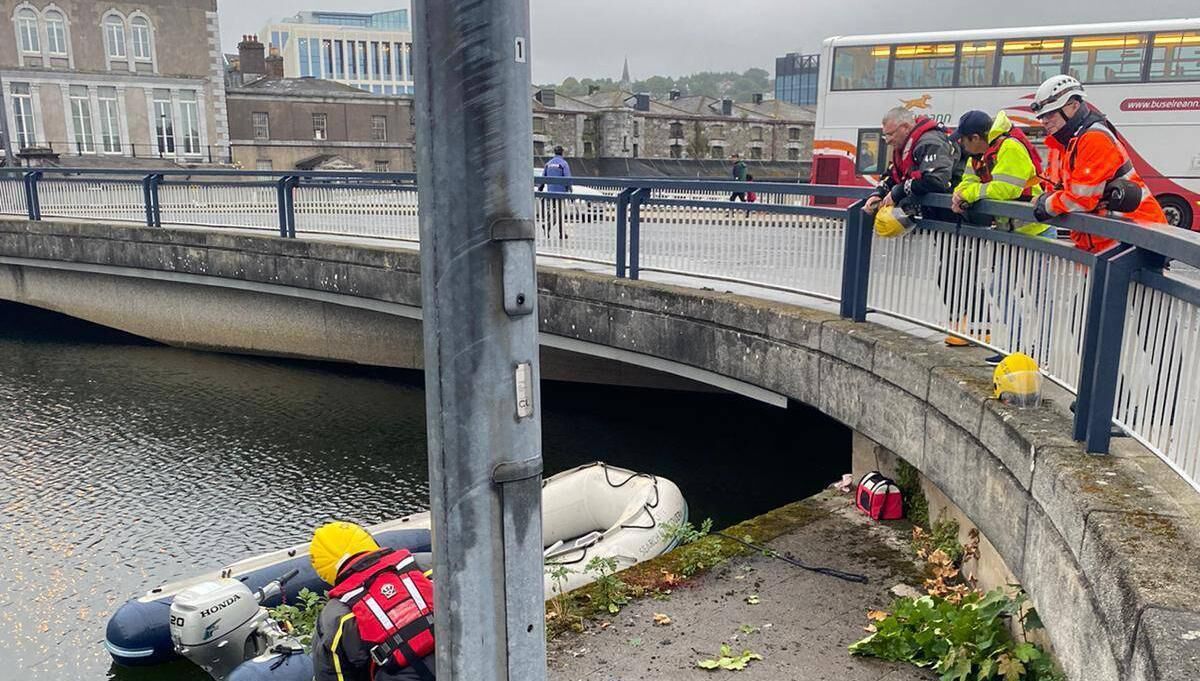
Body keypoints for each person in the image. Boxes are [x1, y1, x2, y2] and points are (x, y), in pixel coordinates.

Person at [1029, 75, 1167, 253]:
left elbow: (1082, 198)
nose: (1045, 120)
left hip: (1133, 241)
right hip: (1114, 242)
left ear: (1073, 106)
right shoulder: (1070, 143)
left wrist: (1045, 205)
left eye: (1051, 113)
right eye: (1042, 116)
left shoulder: (1093, 139)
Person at [310, 521, 436, 681]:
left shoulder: (334, 616)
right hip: (464, 659)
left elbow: (331, 675)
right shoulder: (429, 564)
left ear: (324, 573)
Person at [951, 109, 1053, 239]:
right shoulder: (976, 156)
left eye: (962, 139)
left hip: (1036, 231)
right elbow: (967, 181)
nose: (960, 144)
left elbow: (1006, 189)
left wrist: (966, 194)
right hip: (1009, 232)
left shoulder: (1010, 147)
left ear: (975, 138)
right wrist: (958, 194)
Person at [862, 106, 960, 220]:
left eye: (890, 134)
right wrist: (878, 194)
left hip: (954, 217)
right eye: (885, 135)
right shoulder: (904, 147)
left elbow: (935, 180)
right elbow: (893, 174)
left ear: (906, 128)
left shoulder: (930, 142)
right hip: (935, 217)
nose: (888, 140)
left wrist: (898, 191)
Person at [539, 146, 572, 239]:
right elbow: (567, 179)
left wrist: (540, 189)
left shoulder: (548, 164)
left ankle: (561, 232)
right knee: (559, 212)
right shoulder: (563, 164)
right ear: (562, 152)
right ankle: (548, 226)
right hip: (560, 192)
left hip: (550, 192)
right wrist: (570, 190)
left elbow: (543, 178)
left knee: (554, 211)